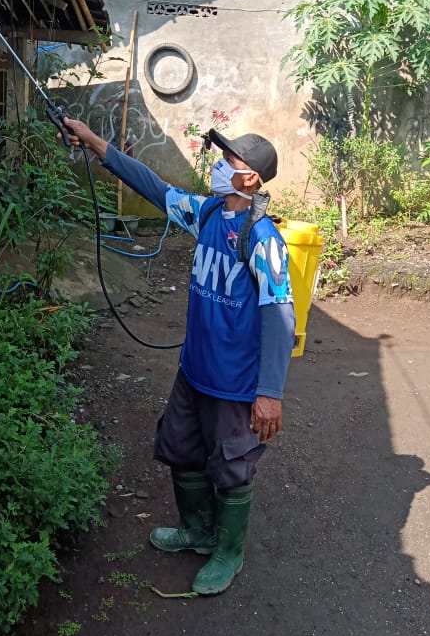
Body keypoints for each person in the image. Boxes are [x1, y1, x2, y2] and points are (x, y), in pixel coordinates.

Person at [62, 117, 296, 595]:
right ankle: (198, 530)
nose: (216, 166)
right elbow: (154, 187)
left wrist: (269, 393)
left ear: (249, 178)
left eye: (227, 160)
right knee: (181, 448)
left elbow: (280, 317)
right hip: (194, 371)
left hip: (235, 382)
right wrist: (97, 145)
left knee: (232, 466)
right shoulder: (207, 214)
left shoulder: (263, 238)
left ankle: (228, 552)